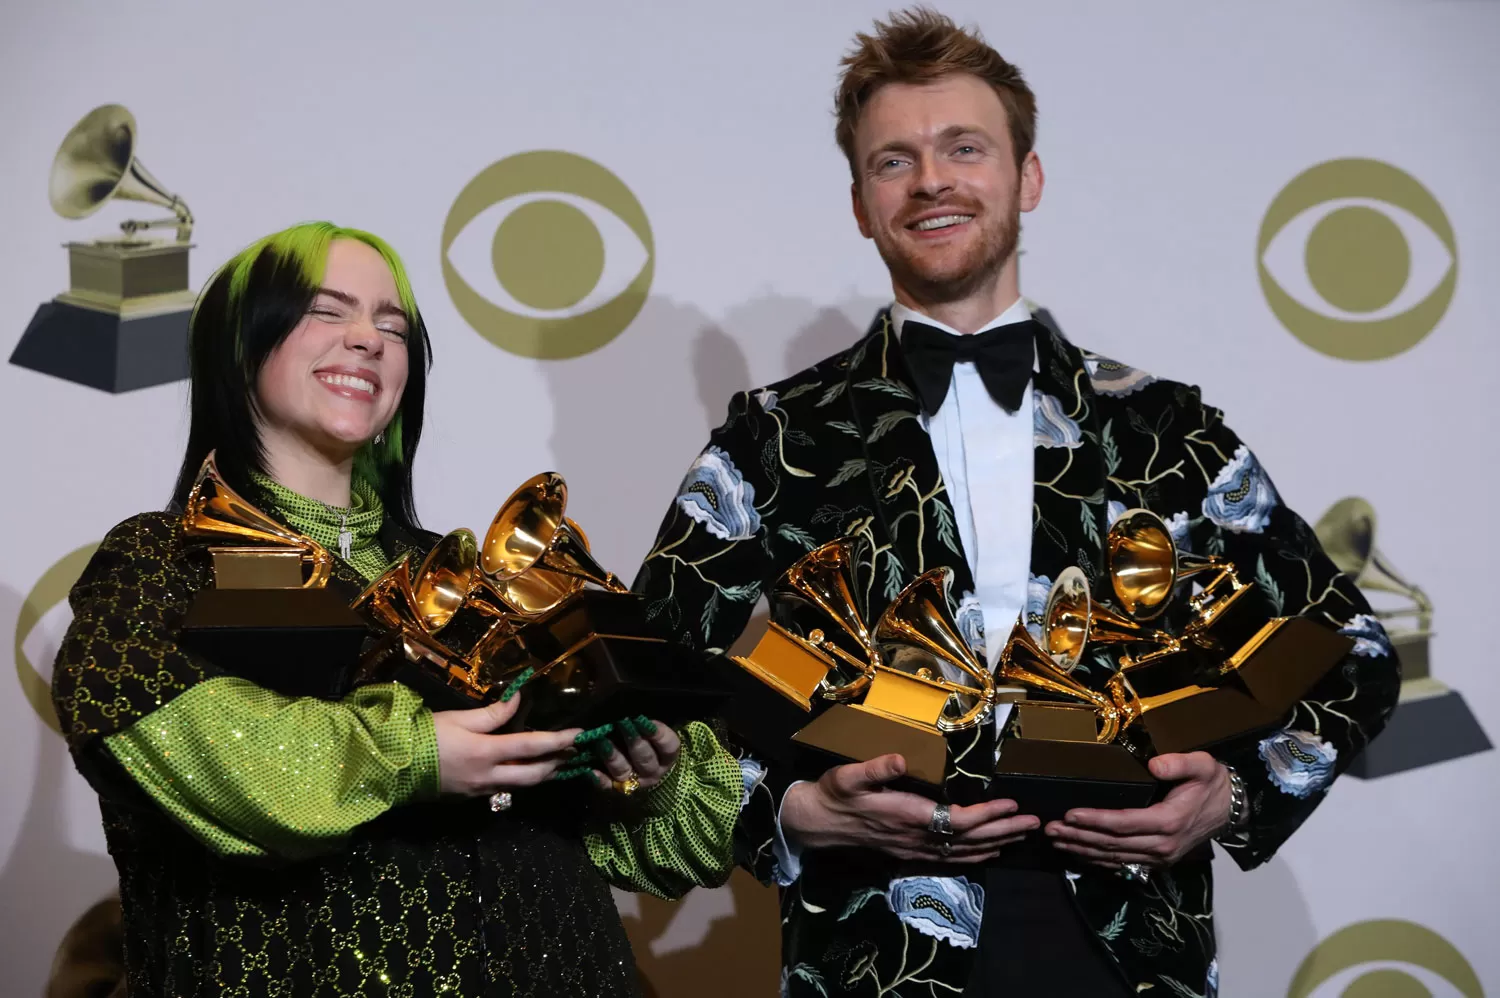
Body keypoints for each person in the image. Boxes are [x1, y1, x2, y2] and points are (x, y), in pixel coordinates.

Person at [633, 10, 1401, 996]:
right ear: (862, 205)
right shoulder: (775, 438)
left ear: (1027, 178)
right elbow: (641, 681)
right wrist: (789, 814)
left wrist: (1237, 793)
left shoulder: (1165, 429)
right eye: (893, 162)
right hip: (872, 941)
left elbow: (1357, 654)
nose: (931, 181)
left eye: (965, 148)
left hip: (1133, 942)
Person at [52, 221, 741, 997]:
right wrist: (416, 754)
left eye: (393, 326)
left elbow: (681, 848)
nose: (368, 340)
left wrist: (649, 777)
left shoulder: (473, 580)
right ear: (240, 347)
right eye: (327, 310)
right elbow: (177, 735)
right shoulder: (159, 560)